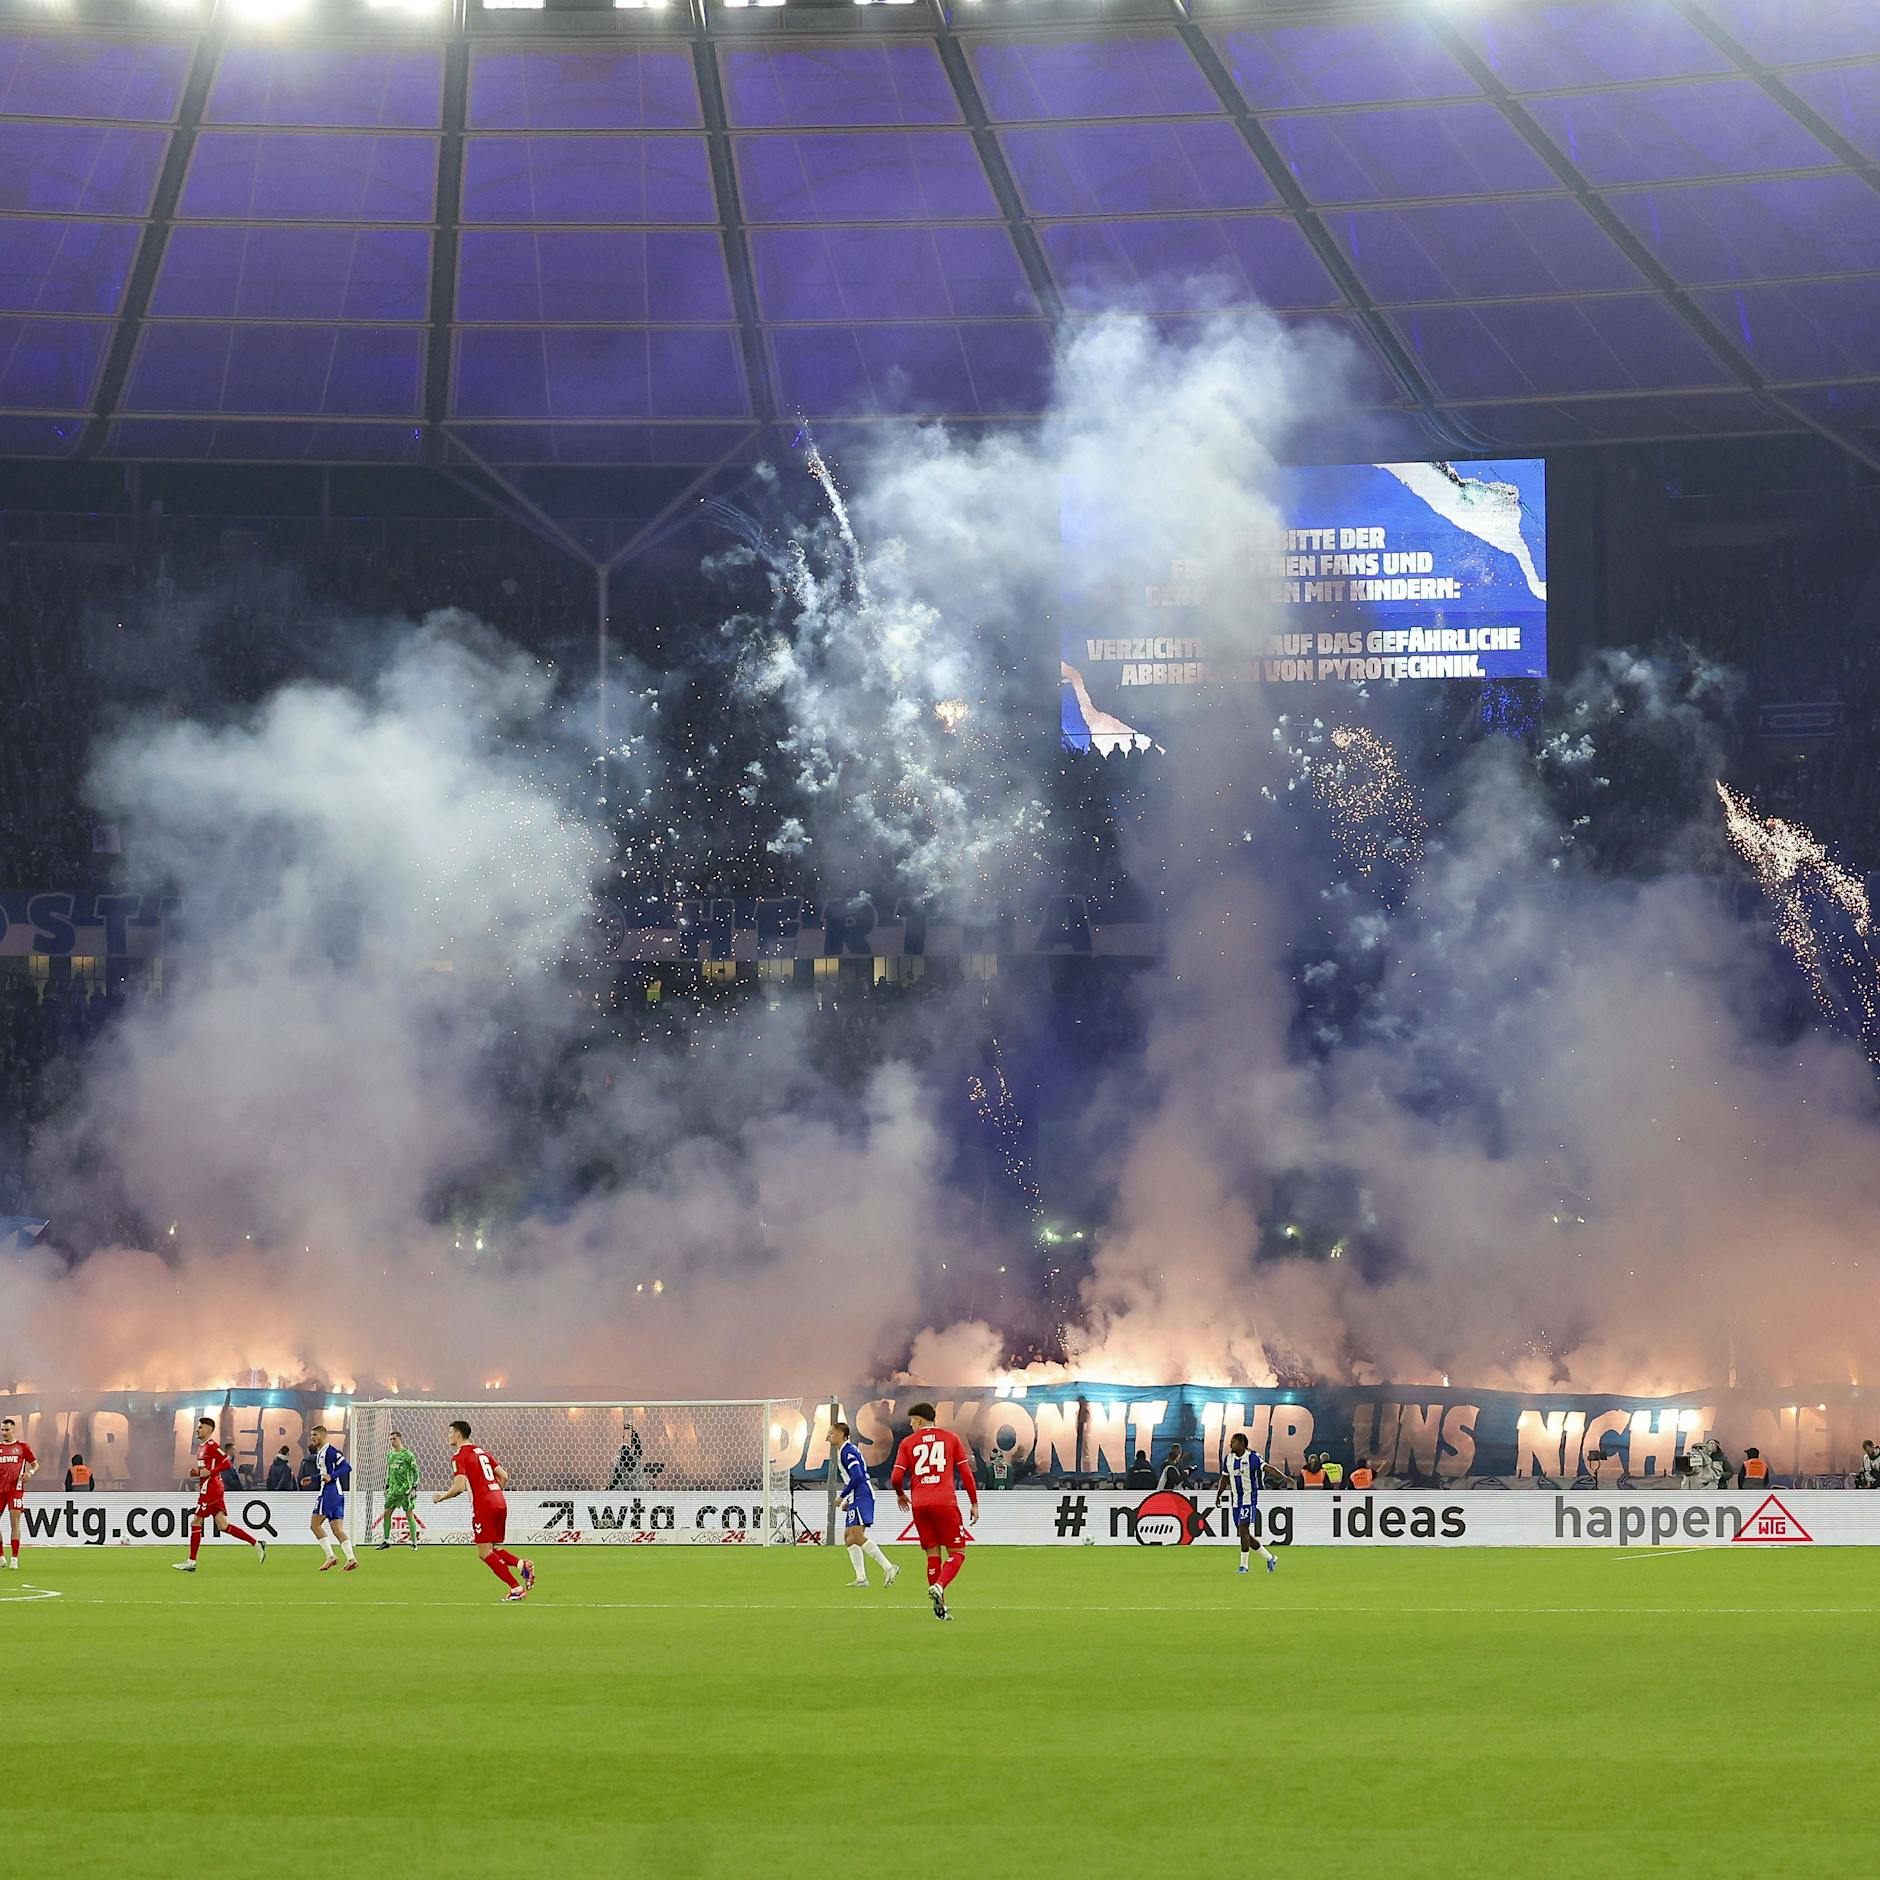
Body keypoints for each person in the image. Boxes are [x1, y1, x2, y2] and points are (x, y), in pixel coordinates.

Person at [891, 1402, 978, 1623]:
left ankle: (940, 1608)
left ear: (919, 1420)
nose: (911, 1425)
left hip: (920, 1505)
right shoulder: (951, 1438)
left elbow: (896, 1477)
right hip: (945, 1503)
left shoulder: (907, 1443)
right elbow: (966, 1474)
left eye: (912, 1421)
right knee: (958, 1552)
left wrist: (901, 1495)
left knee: (932, 1555)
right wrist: (974, 1503)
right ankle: (939, 1586)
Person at [434, 1419, 533, 1601]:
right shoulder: (482, 1452)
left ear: (457, 1434)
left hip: (484, 1506)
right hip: (500, 1501)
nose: (448, 1436)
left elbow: (459, 1487)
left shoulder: (459, 1456)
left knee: (484, 1552)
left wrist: (441, 1498)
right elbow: (504, 1476)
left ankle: (516, 1588)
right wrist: (493, 1494)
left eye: (450, 1433)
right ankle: (521, 1564)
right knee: (491, 1548)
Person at [173, 1415, 267, 1572]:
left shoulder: (211, 1445)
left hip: (211, 1489)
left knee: (195, 1523)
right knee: (223, 1526)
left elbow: (226, 1461)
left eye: (201, 1427)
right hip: (209, 1487)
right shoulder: (202, 1447)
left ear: (209, 1430)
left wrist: (211, 1472)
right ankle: (257, 1543)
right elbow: (207, 1469)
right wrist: (196, 1472)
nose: (198, 1429)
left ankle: (191, 1562)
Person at [828, 1421, 896, 1589]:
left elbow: (857, 1477)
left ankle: (889, 1567)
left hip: (862, 1495)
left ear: (843, 1435)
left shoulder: (847, 1451)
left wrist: (842, 1496)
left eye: (832, 1433)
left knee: (856, 1536)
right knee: (849, 1537)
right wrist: (848, 1501)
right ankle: (861, 1578)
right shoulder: (843, 1451)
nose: (829, 1436)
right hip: (855, 1497)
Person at [1214, 1433, 1278, 1576]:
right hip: (1236, 1501)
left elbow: (1268, 1468)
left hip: (1249, 1500)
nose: (1230, 1445)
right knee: (1244, 1534)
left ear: (1242, 1443)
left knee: (1243, 1530)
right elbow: (1224, 1479)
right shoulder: (1228, 1459)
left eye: (1233, 1442)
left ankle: (1244, 1566)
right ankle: (1270, 1557)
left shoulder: (1252, 1457)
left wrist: (1285, 1478)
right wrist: (1218, 1495)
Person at [308, 1424, 357, 1572]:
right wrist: (313, 1478)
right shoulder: (321, 1452)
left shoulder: (329, 1451)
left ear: (323, 1436)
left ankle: (331, 1556)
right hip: (337, 1494)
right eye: (311, 1435)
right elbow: (326, 1474)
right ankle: (351, 1559)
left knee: (315, 1525)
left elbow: (347, 1467)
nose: (312, 1438)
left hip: (329, 1493)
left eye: (315, 1435)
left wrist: (332, 1476)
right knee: (337, 1529)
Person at [0, 1416, 37, 1569]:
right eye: (2, 1430)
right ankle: (1, 1556)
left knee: (14, 1522)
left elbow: (35, 1464)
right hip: (0, 1490)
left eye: (6, 1430)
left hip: (15, 1490)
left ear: (13, 1429)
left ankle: (14, 1558)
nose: (4, 1433)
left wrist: (30, 1473)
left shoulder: (22, 1447)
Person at [377, 1429, 420, 1550]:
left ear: (399, 1439)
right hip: (393, 1490)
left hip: (405, 1489)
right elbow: (390, 1471)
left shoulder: (408, 1454)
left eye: (394, 1439)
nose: (392, 1441)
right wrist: (386, 1486)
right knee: (387, 1513)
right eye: (390, 1439)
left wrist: (414, 1487)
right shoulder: (390, 1455)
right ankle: (386, 1541)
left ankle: (414, 1543)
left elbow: (415, 1471)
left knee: (409, 1514)